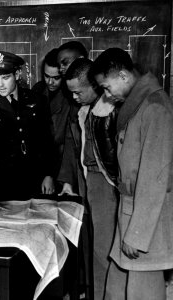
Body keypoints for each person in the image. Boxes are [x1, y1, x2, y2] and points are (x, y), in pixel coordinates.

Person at [92, 48, 173, 300]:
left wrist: (136, 236)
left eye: (107, 87)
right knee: (116, 289)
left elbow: (154, 179)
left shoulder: (155, 107)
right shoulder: (138, 104)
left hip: (145, 224)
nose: (106, 95)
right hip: (130, 212)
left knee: (142, 292)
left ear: (124, 76)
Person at [62, 57, 120, 299]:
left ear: (94, 86)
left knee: (104, 250)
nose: (74, 98)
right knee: (92, 250)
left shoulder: (110, 109)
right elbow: (74, 150)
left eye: (77, 92)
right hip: (87, 184)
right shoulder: (83, 111)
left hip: (105, 186)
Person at [0, 51, 56, 200]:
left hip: (33, 181)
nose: (0, 84)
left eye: (5, 78)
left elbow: (47, 142)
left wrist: (49, 174)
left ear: (17, 74)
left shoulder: (37, 101)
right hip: (1, 185)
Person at [32, 48, 70, 188]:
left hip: (60, 168)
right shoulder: (37, 90)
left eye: (56, 78)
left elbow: (63, 143)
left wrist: (52, 175)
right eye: (47, 76)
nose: (50, 82)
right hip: (37, 164)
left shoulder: (70, 97)